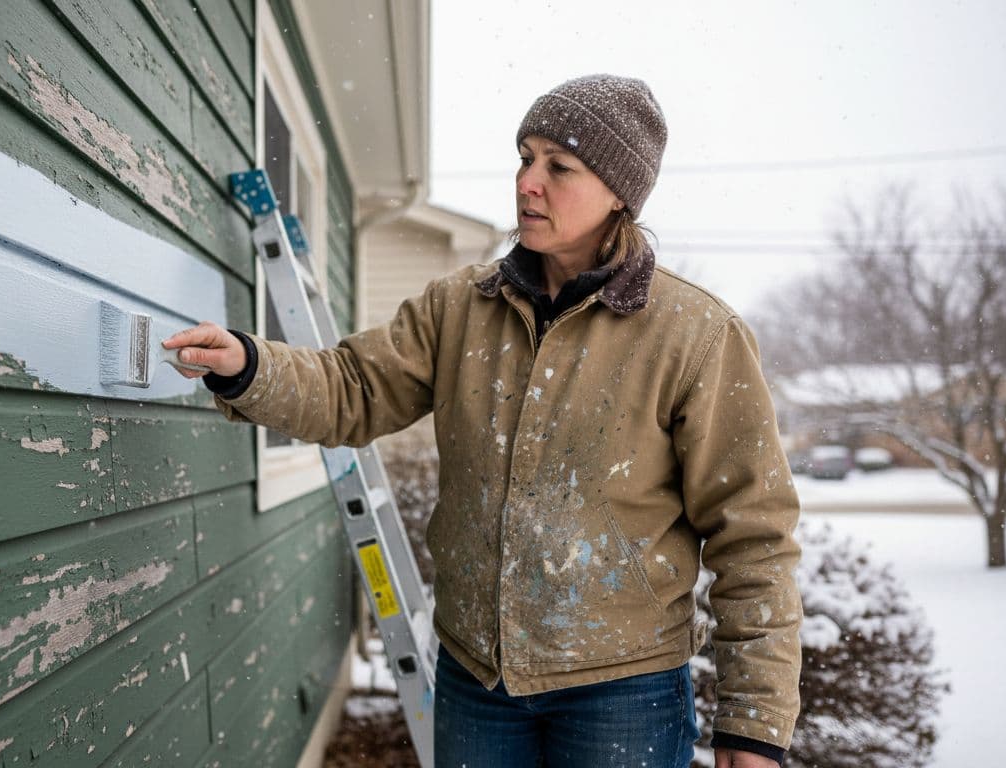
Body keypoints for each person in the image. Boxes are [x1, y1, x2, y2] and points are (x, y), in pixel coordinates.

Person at [165, 74, 802, 768]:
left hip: (624, 689)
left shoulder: (696, 336)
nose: (529, 182)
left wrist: (754, 722)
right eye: (525, 157)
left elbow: (754, 536)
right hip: (478, 679)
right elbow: (352, 389)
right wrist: (247, 365)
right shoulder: (461, 308)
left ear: (621, 192)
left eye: (559, 167)